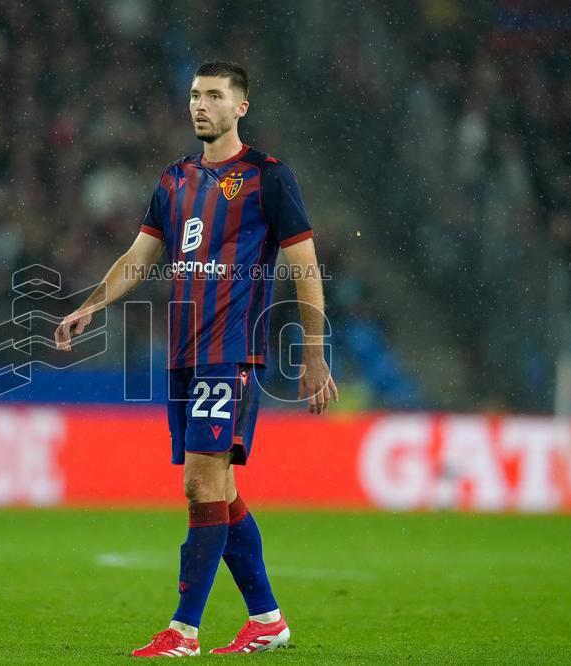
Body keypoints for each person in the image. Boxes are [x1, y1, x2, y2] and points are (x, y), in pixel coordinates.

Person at [55, 61, 338, 657]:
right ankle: (267, 619)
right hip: (183, 354)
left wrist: (313, 351)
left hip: (230, 352)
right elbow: (138, 258)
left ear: (241, 107)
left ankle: (183, 630)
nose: (200, 105)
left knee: (199, 481)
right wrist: (90, 306)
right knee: (218, 487)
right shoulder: (174, 180)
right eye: (194, 95)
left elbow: (304, 268)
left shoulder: (269, 178)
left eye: (214, 95)